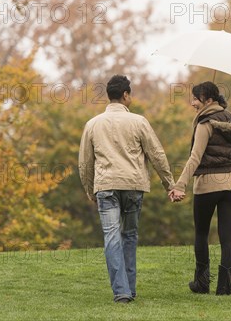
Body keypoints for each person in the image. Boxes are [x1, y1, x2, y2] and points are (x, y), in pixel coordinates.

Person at [78, 75, 185, 304]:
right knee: (130, 235)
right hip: (133, 186)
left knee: (111, 236)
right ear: (126, 95)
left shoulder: (93, 124)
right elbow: (157, 155)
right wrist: (170, 185)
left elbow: (85, 163)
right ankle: (130, 288)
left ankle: (121, 291)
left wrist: (90, 190)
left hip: (105, 187)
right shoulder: (139, 122)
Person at [171, 81, 231, 295]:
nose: (192, 102)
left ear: (208, 100)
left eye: (196, 98)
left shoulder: (205, 124)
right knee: (226, 237)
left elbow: (195, 158)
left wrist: (179, 185)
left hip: (208, 184)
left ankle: (202, 283)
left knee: (202, 234)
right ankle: (224, 286)